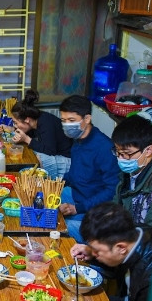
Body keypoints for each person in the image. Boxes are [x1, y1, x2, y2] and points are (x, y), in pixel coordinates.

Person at [58, 95, 120, 242]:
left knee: (59, 227)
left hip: (94, 208)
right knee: (42, 200)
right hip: (77, 194)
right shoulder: (78, 139)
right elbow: (76, 174)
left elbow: (112, 191)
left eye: (71, 120)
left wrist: (77, 208)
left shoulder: (104, 148)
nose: (66, 125)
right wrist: (55, 183)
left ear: (87, 119)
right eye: (63, 120)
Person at [0, 89, 72, 179]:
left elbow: (50, 151)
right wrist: (11, 129)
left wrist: (26, 139)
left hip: (65, 158)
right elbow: (31, 132)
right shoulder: (36, 120)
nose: (15, 125)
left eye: (15, 123)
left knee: (36, 158)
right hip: (54, 152)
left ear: (27, 120)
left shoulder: (46, 123)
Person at [111, 116, 152, 228]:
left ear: (148, 150)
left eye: (126, 153)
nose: (120, 158)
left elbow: (151, 235)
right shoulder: (130, 173)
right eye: (117, 152)